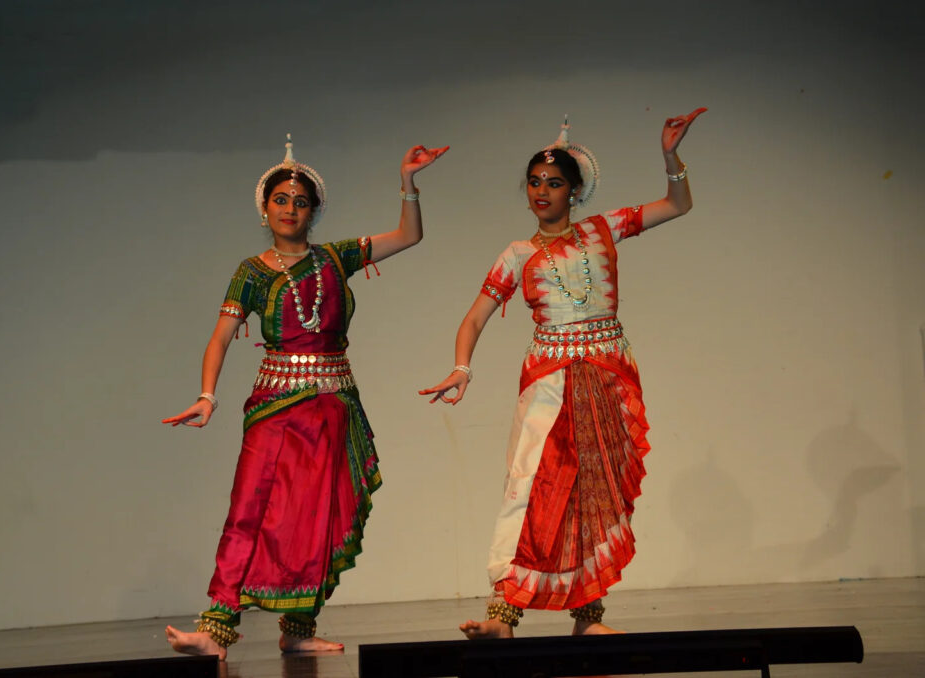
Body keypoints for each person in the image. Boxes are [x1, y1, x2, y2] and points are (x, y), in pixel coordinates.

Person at [419, 109, 705, 638]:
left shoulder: (605, 228)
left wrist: (669, 156)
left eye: (553, 183)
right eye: (534, 183)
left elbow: (678, 204)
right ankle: (503, 613)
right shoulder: (517, 254)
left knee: (598, 491)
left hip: (606, 375)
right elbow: (475, 316)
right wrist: (462, 367)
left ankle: (589, 616)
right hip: (550, 379)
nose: (541, 191)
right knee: (534, 487)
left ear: (575, 191)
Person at [164, 135, 448, 658]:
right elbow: (220, 336)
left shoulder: (336, 258)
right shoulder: (250, 272)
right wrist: (207, 395)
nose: (289, 209)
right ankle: (215, 628)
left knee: (315, 518)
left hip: (332, 405)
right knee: (249, 510)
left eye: (300, 201)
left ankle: (297, 632)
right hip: (274, 405)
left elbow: (409, 236)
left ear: (313, 210)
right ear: (265, 207)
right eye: (281, 200)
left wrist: (408, 183)